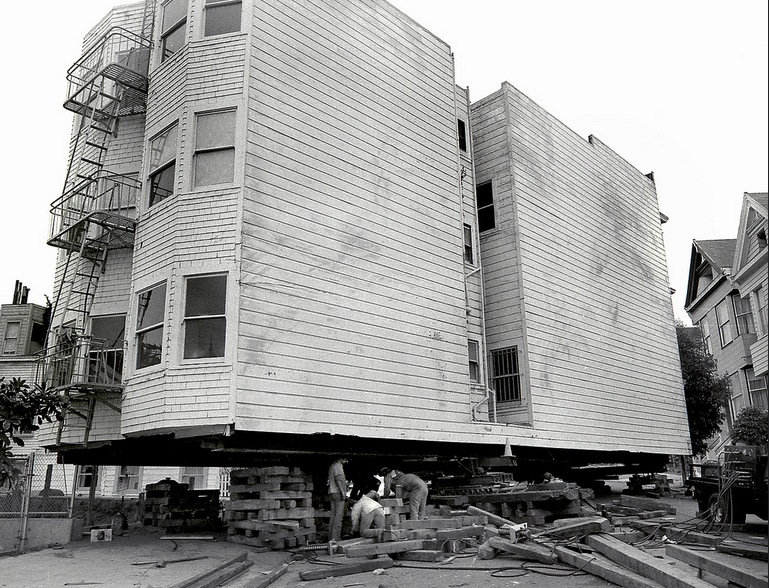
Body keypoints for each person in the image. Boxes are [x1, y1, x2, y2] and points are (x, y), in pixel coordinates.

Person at [327, 457, 348, 542]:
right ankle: (336, 538)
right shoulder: (338, 466)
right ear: (340, 459)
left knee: (333, 516)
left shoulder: (332, 466)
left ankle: (330, 538)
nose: (346, 461)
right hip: (338, 493)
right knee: (339, 516)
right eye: (345, 459)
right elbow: (338, 480)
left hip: (332, 492)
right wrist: (343, 492)